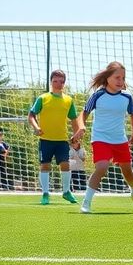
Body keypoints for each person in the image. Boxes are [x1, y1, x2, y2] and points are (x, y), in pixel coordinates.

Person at [79, 61, 133, 213]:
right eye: (117, 77)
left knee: (127, 171)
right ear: (108, 78)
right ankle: (86, 202)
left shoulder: (127, 97)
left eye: (123, 78)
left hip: (120, 140)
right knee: (101, 167)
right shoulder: (97, 95)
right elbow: (84, 113)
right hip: (100, 138)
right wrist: (82, 126)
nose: (120, 81)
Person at [29, 69, 86, 204]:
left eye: (61, 81)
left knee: (65, 165)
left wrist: (76, 135)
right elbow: (31, 115)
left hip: (62, 140)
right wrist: (36, 128)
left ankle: (66, 192)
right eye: (55, 81)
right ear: (51, 82)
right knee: (45, 166)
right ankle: (45, 194)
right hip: (45, 140)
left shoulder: (68, 100)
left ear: (64, 83)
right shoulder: (43, 98)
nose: (58, 84)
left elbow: (73, 119)